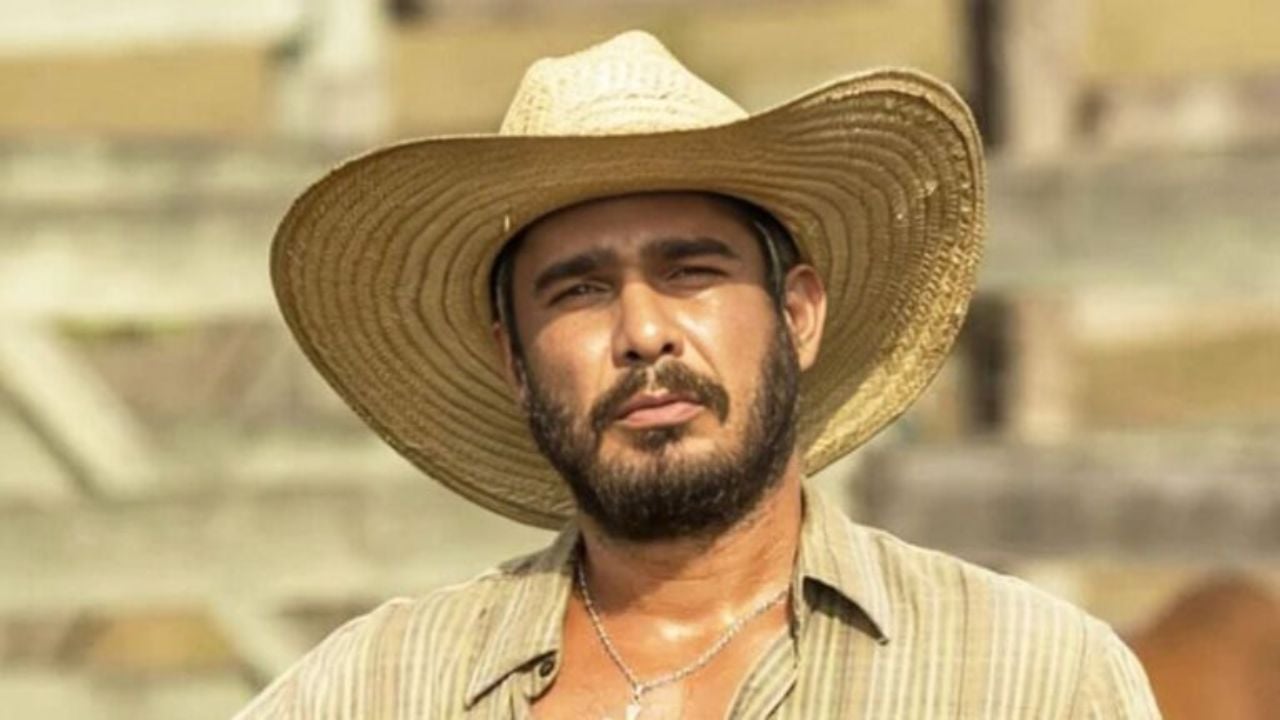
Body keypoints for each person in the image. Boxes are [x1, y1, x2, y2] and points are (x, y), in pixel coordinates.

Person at [237, 31, 1159, 719]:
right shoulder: (376, 689)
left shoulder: (1026, 678)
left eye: (690, 272)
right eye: (580, 291)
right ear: (513, 361)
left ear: (798, 314)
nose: (643, 333)